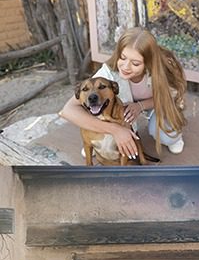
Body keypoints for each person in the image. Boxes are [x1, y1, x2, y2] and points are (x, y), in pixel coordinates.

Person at [59, 26, 189, 161]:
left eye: (135, 63)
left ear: (148, 63)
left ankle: (175, 137)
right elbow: (67, 111)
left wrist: (140, 106)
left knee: (166, 136)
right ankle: (97, 140)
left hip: (156, 103)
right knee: (99, 105)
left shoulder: (163, 68)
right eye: (123, 57)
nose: (126, 67)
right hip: (124, 110)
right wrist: (116, 130)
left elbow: (171, 96)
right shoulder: (109, 72)